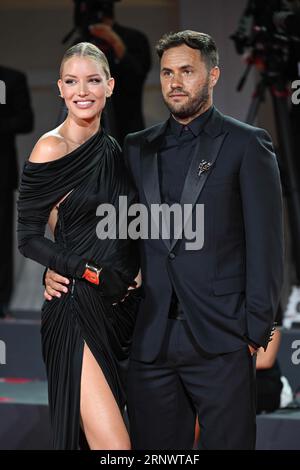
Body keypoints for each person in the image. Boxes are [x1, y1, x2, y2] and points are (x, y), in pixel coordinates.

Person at [45, 31, 284, 450]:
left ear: (212, 75)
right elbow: (105, 224)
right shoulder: (136, 147)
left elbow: (267, 244)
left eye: (187, 71)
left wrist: (255, 330)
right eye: (168, 72)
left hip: (222, 337)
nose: (175, 81)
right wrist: (58, 263)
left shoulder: (247, 144)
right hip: (151, 337)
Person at [17, 42, 141, 450]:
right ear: (59, 88)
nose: (81, 90)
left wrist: (135, 270)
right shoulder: (51, 148)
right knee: (116, 450)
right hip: (75, 308)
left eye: (92, 80)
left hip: (121, 313)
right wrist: (85, 270)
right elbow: (29, 237)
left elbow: (121, 226)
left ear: (110, 85)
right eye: (71, 81)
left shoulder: (113, 150)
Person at [76, 0, 151, 144]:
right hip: (89, 134)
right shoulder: (82, 43)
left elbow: (137, 75)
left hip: (127, 128)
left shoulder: (134, 39)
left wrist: (115, 41)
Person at [0, 65, 34, 318]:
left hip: (1, 172)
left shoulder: (12, 77)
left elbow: (25, 120)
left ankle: (1, 303)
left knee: (1, 241)